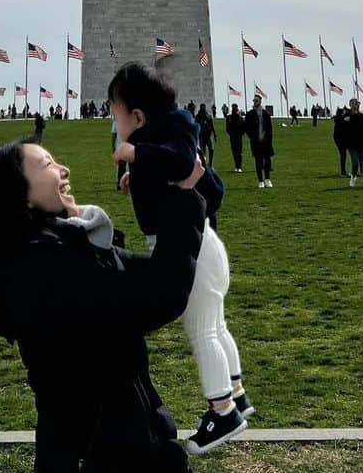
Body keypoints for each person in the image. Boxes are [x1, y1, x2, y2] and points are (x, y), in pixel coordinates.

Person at [0, 135, 205, 473]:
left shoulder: (63, 248)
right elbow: (161, 294)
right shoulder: (39, 264)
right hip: (100, 455)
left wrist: (162, 195)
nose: (64, 169)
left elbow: (156, 271)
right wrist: (183, 200)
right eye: (47, 165)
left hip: (126, 445)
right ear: (21, 194)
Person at [110, 63, 250, 455]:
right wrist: (135, 175)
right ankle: (236, 394)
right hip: (204, 243)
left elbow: (181, 160)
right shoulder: (168, 130)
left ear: (137, 116)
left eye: (115, 115)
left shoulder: (165, 134)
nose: (115, 124)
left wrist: (136, 153)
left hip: (192, 249)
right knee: (217, 326)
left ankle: (222, 411)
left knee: (202, 330)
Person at [246, 94, 274, 188]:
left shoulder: (266, 114)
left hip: (265, 142)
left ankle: (267, 179)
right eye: (254, 101)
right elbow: (247, 128)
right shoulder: (250, 114)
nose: (255, 102)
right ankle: (260, 181)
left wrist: (268, 138)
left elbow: (270, 129)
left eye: (256, 101)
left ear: (260, 101)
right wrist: (252, 137)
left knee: (267, 161)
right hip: (256, 142)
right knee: (258, 161)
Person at [345, 99, 363, 188]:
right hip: (352, 144)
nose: (356, 105)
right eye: (354, 104)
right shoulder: (346, 115)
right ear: (350, 105)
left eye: (357, 104)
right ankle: (353, 177)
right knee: (355, 162)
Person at [226, 103, 245, 173]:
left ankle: (239, 166)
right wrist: (230, 133)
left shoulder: (240, 118)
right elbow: (227, 128)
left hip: (238, 137)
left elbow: (243, 127)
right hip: (232, 136)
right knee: (234, 152)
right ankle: (236, 165)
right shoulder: (229, 117)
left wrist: (241, 134)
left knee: (239, 152)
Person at [332, 105, 350, 175]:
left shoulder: (339, 119)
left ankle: (343, 170)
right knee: (343, 154)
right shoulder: (340, 119)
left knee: (343, 155)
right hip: (340, 139)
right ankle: (343, 170)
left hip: (341, 139)